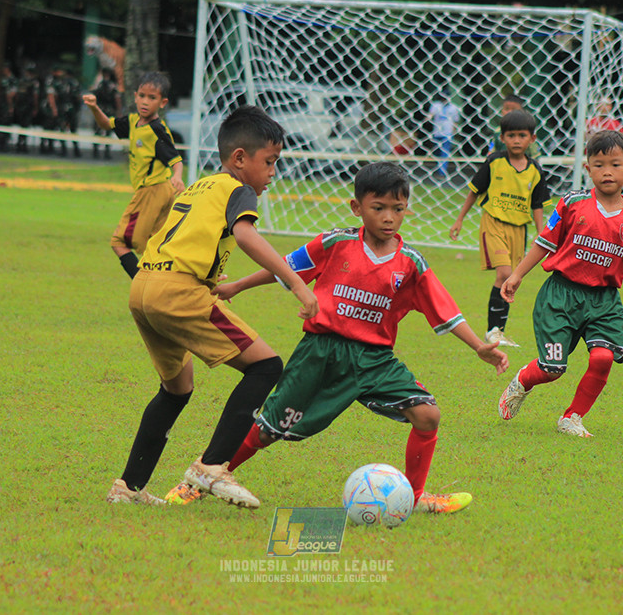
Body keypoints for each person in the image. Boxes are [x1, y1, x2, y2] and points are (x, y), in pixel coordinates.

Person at [167, 162, 508, 511]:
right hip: (319, 354)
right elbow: (286, 266)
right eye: (379, 208)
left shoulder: (411, 263)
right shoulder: (336, 243)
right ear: (357, 208)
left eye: (397, 209)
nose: (389, 217)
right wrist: (239, 285)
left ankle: (415, 497)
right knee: (268, 430)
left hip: (374, 360)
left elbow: (446, 311)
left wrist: (479, 346)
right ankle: (201, 478)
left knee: (427, 415)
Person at [105, 105, 319, 508]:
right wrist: (296, 285)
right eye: (269, 162)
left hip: (144, 287)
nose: (273, 171)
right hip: (179, 292)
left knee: (176, 389)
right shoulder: (240, 190)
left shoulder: (200, 185)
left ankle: (128, 488)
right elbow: (247, 235)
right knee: (267, 366)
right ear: (240, 159)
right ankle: (213, 466)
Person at [497, 130, 623, 437]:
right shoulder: (572, 204)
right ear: (587, 168)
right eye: (599, 164)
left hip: (604, 300)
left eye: (615, 164)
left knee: (603, 357)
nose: (607, 171)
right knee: (552, 369)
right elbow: (544, 243)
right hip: (561, 296)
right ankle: (523, 380)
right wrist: (517, 274)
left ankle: (572, 417)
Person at [449, 109, 550, 348]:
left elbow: (537, 204)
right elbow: (475, 190)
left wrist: (541, 232)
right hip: (493, 223)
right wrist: (459, 219)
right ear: (503, 137)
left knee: (511, 280)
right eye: (511, 135)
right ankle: (492, 331)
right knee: (504, 273)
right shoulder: (494, 162)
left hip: (519, 230)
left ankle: (498, 332)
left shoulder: (535, 170)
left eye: (522, 135)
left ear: (532, 139)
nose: (516, 140)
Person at [82, 71, 185, 279]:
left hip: (151, 192)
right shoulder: (133, 122)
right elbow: (106, 124)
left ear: (162, 102)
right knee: (155, 248)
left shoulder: (156, 130)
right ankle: (172, 284)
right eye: (142, 96)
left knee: (119, 243)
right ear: (135, 96)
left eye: (152, 98)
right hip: (161, 192)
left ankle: (143, 287)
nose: (145, 102)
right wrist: (94, 107)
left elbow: (176, 159)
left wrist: (178, 176)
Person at [427, 90, 460, 178]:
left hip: (447, 133)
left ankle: (442, 172)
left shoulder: (453, 108)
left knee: (444, 152)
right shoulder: (436, 105)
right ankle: (439, 168)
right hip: (437, 132)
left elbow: (455, 122)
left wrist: (454, 132)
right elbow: (430, 116)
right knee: (437, 152)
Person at [91, 68, 121, 160]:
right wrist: (118, 111)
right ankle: (106, 152)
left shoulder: (98, 85)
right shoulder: (112, 86)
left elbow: (92, 94)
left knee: (97, 130)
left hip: (100, 110)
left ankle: (96, 151)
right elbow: (117, 99)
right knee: (108, 131)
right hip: (109, 110)